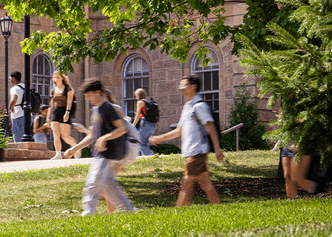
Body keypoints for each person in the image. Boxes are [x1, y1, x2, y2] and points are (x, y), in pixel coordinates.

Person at [149, 74, 226, 207]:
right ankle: (219, 207)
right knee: (205, 184)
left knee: (186, 184)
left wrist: (217, 148)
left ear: (193, 87)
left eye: (184, 85)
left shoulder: (199, 106)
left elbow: (210, 126)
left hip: (198, 151)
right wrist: (160, 138)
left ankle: (178, 214)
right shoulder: (187, 107)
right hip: (191, 152)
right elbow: (179, 130)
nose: (181, 88)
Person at [63, 78, 134, 215]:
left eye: (90, 95)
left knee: (92, 184)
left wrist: (104, 138)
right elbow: (92, 135)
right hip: (101, 155)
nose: (89, 99)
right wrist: (75, 148)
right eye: (87, 96)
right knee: (110, 187)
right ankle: (128, 212)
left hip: (107, 154)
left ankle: (88, 215)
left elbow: (123, 128)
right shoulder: (96, 110)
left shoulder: (108, 108)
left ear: (98, 92)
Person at [49, 71, 79, 159]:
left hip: (65, 111)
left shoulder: (68, 88)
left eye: (57, 77)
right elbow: (51, 104)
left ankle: (76, 147)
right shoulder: (53, 89)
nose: (55, 79)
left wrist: (67, 113)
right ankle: (58, 154)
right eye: (54, 77)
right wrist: (48, 116)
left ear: (62, 78)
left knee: (65, 136)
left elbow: (70, 102)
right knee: (56, 133)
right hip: (56, 111)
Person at [130, 88, 155, 156]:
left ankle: (152, 156)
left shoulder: (140, 102)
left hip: (145, 123)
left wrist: (133, 125)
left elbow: (138, 115)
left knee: (141, 144)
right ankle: (150, 157)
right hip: (152, 125)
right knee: (145, 143)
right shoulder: (149, 101)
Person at [8, 72, 26, 142]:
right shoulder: (25, 87)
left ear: (13, 79)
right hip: (28, 115)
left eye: (10, 79)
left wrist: (10, 108)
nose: (9, 80)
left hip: (18, 115)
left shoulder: (14, 88)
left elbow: (13, 100)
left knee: (18, 138)